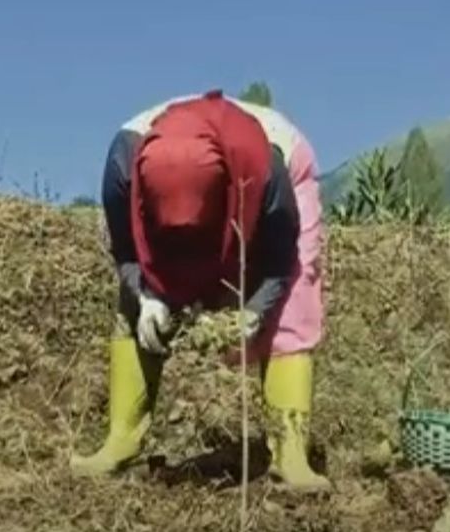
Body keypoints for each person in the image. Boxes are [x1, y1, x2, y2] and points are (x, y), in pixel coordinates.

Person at [69, 89, 330, 490]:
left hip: (267, 179)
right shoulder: (123, 164)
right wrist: (146, 295)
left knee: (294, 300)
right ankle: (120, 441)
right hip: (183, 194)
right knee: (132, 307)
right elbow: (126, 252)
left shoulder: (271, 172)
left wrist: (256, 310)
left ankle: (290, 453)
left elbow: (282, 264)